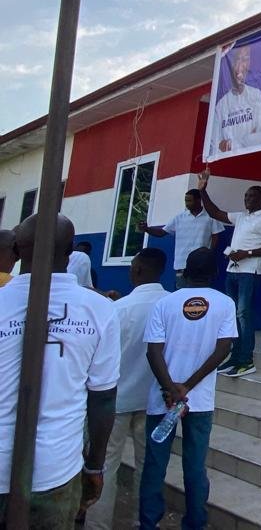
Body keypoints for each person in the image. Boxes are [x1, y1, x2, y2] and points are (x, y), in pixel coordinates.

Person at [0, 214, 120, 529]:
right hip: (57, 470)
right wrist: (95, 466)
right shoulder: (99, 310)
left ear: (16, 249)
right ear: (70, 252)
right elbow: (103, 399)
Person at [140, 247, 236, 530]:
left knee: (155, 465)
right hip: (199, 401)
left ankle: (148, 523)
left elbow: (152, 352)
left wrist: (170, 388)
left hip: (163, 399)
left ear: (184, 272)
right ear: (216, 273)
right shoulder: (225, 303)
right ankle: (195, 523)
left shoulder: (165, 304)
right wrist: (187, 387)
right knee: (194, 467)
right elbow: (223, 350)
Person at [83, 247, 169, 530]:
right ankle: (143, 522)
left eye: (132, 266)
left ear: (139, 270)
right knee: (149, 467)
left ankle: (97, 524)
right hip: (155, 400)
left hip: (116, 402)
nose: (130, 270)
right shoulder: (171, 306)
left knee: (106, 465)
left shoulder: (118, 310)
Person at [196, 167, 261, 378]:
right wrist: (203, 190)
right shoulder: (241, 217)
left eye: (252, 196)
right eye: (246, 196)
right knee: (232, 315)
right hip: (232, 271)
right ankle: (234, 357)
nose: (247, 199)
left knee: (243, 314)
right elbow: (215, 212)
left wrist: (248, 253)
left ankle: (246, 360)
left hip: (249, 273)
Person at [138, 189, 224, 289]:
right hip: (182, 266)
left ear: (198, 200)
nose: (187, 204)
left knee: (198, 298)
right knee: (181, 298)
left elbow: (215, 235)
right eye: (186, 201)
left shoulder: (210, 216)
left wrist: (209, 253)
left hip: (201, 266)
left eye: (189, 201)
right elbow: (162, 232)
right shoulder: (179, 218)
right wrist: (147, 229)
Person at [208, 44, 261, 158]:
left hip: (253, 160)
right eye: (238, 59)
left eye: (246, 59)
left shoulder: (256, 95)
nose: (241, 65)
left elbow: (260, 137)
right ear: (232, 63)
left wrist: (230, 143)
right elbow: (216, 146)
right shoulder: (221, 105)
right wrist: (246, 139)